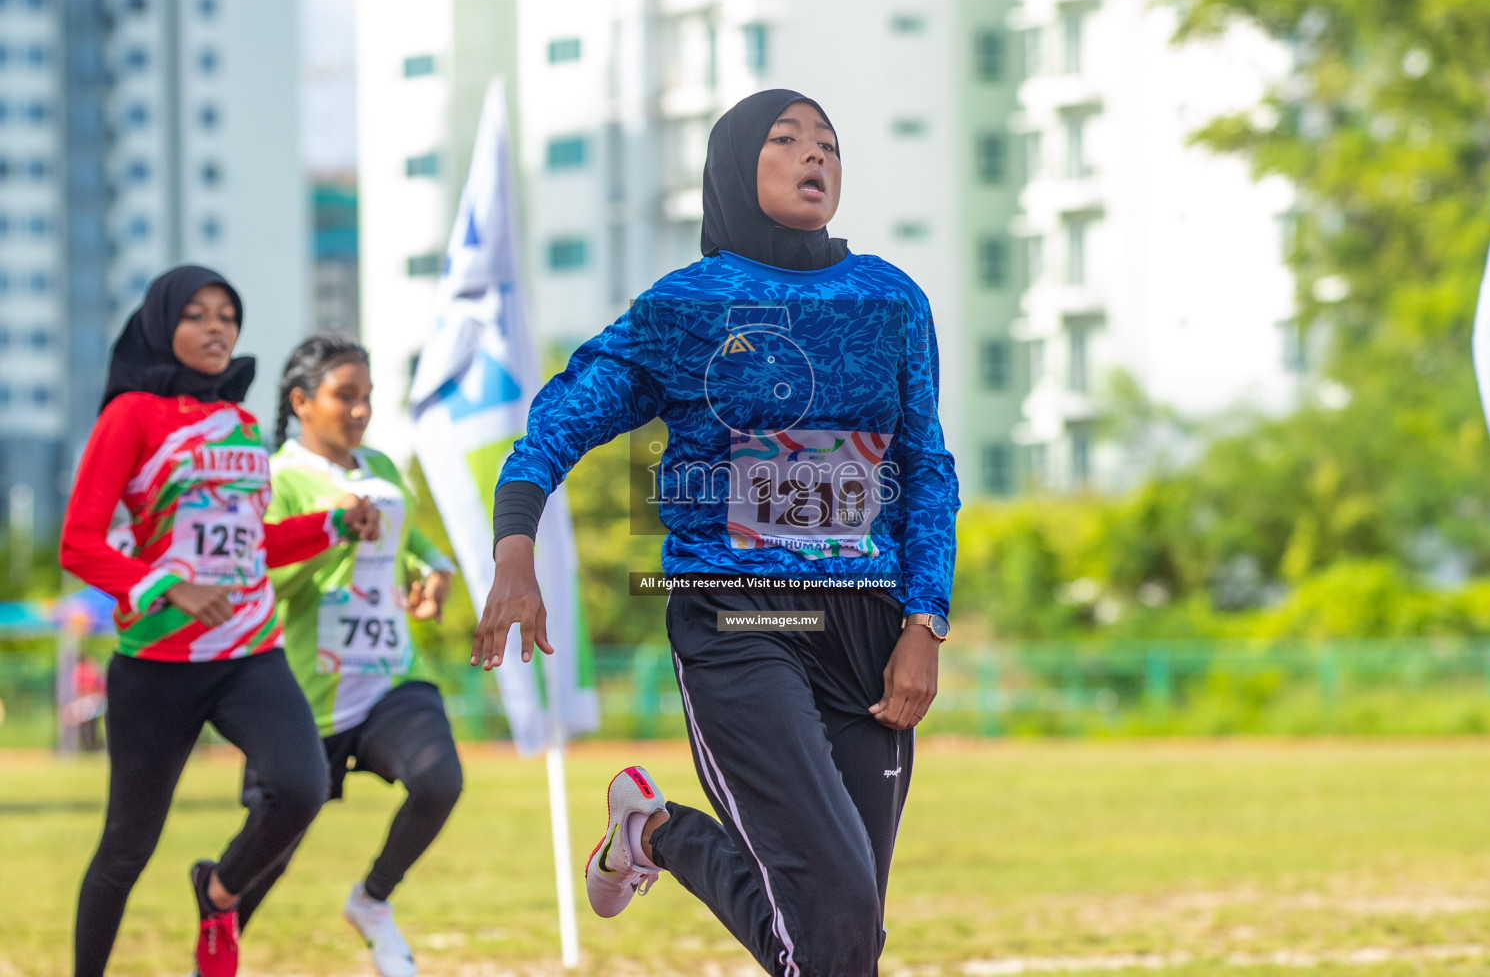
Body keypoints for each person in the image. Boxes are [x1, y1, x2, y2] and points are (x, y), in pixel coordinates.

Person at [474, 90, 960, 977]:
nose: (817, 156)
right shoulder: (687, 307)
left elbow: (927, 466)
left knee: (836, 946)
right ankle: (659, 833)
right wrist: (515, 551)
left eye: (830, 145)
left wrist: (924, 623)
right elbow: (557, 423)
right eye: (788, 140)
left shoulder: (891, 299)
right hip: (737, 622)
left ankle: (654, 833)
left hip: (869, 625)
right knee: (840, 912)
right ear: (737, 165)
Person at [59, 266, 381, 977]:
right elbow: (78, 542)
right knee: (126, 849)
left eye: (226, 316)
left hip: (248, 653)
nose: (215, 329)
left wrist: (333, 524)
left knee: (301, 787)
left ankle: (219, 892)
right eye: (196, 315)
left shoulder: (237, 422)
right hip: (157, 667)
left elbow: (248, 546)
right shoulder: (131, 416)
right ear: (161, 327)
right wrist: (169, 589)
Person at [228, 335, 461, 977]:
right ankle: (215, 942)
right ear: (302, 401)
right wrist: (330, 534)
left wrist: (434, 571)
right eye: (344, 396)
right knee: (266, 852)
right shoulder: (276, 479)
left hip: (390, 675)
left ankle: (372, 901)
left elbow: (407, 536)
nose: (359, 411)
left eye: (367, 398)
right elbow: (262, 582)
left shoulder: (381, 467)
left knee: (440, 780)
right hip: (304, 692)